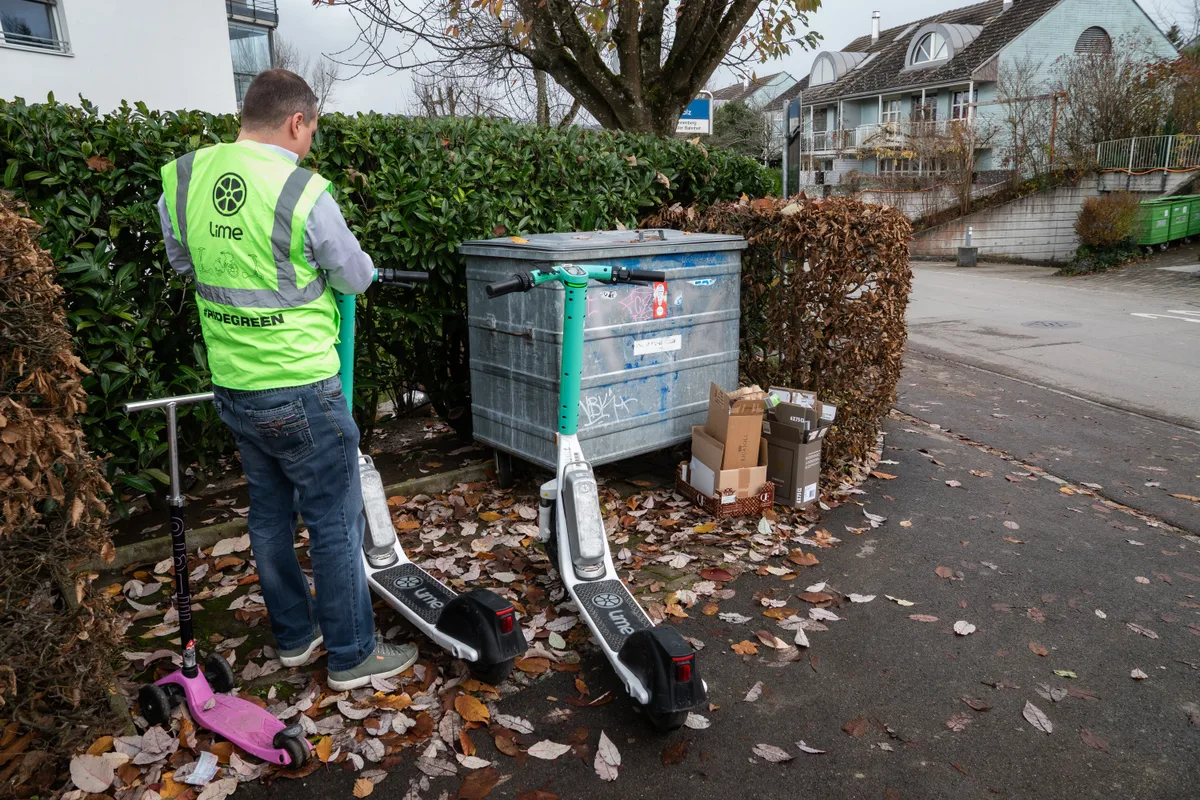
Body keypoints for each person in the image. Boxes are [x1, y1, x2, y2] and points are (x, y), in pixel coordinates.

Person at [156, 69, 418, 691]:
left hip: (234, 384)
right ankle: (353, 653)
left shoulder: (187, 176)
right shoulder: (300, 190)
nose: (309, 144)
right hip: (301, 384)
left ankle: (296, 638)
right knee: (334, 518)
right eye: (312, 131)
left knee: (270, 515)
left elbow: (182, 259)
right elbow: (352, 274)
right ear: (297, 122)